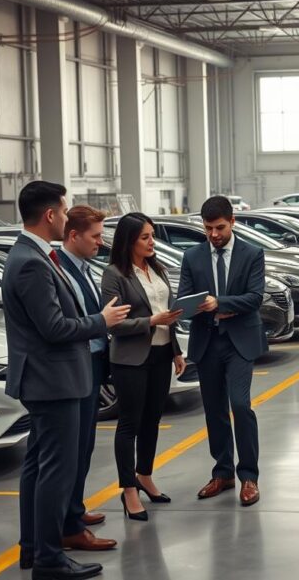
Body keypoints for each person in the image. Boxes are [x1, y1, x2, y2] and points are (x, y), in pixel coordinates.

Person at [2, 181, 129, 580]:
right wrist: (100, 322)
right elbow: (54, 328)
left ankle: (33, 550)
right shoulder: (31, 262)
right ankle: (50, 560)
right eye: (64, 208)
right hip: (52, 381)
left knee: (39, 468)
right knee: (54, 471)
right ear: (51, 215)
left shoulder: (37, 256)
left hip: (48, 379)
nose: (66, 213)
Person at [178, 196, 267, 505]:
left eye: (219, 228)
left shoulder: (252, 253)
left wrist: (221, 303)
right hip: (207, 341)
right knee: (214, 410)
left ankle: (249, 477)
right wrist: (202, 308)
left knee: (240, 406)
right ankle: (223, 473)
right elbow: (184, 300)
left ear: (232, 222)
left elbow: (255, 297)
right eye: (208, 229)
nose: (214, 235)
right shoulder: (192, 257)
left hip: (239, 342)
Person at [101, 213, 185, 521]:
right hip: (130, 359)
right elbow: (115, 325)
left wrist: (176, 350)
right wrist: (151, 321)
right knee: (129, 424)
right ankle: (129, 490)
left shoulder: (157, 268)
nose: (152, 242)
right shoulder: (114, 274)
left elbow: (167, 313)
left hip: (162, 354)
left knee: (152, 420)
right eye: (145, 237)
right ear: (129, 241)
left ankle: (145, 475)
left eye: (152, 236)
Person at [55, 205, 117, 552]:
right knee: (72, 448)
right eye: (95, 236)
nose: (100, 242)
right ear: (73, 236)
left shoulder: (83, 268)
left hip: (91, 362)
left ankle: (75, 511)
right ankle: (68, 525)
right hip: (74, 364)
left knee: (85, 444)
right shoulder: (59, 269)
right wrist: (102, 321)